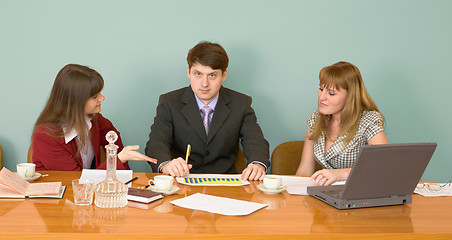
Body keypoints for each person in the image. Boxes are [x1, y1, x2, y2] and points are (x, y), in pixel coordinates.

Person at [145, 41, 269, 180]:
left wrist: (257, 164)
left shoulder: (241, 103)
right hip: (180, 182)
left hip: (225, 185)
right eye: (198, 74)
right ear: (188, 72)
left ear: (224, 75)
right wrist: (166, 164)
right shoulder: (169, 102)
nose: (204, 84)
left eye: (212, 75)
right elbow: (156, 142)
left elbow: (255, 140)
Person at [32, 64, 156, 171]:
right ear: (75, 102)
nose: (102, 98)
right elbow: (75, 180)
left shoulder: (95, 119)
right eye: (94, 96)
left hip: (87, 194)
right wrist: (118, 161)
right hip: (58, 196)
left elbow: (115, 141)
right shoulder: (45, 136)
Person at [295, 61, 388, 185]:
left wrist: (341, 174)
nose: (322, 97)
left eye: (331, 93)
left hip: (358, 196)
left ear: (350, 96)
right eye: (321, 89)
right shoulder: (315, 119)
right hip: (326, 196)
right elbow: (305, 171)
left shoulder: (368, 120)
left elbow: (383, 167)